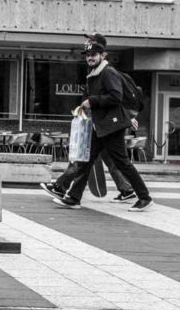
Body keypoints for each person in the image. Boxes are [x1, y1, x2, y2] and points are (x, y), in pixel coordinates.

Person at [40, 33, 153, 212]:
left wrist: (92, 101)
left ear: (102, 55)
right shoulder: (93, 74)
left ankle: (144, 197)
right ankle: (73, 197)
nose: (90, 58)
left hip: (112, 127)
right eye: (87, 55)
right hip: (100, 126)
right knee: (86, 160)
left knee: (122, 163)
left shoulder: (107, 72)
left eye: (93, 55)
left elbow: (116, 96)